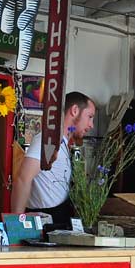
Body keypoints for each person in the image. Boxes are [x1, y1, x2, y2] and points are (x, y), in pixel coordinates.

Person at [10, 91, 96, 225]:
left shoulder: (62, 143)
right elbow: (23, 179)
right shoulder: (48, 142)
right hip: (47, 220)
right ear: (74, 111)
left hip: (59, 219)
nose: (91, 125)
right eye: (90, 117)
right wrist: (17, 223)